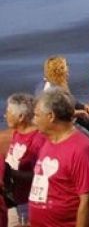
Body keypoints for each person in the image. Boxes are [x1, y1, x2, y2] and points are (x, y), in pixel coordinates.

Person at [28, 88, 89, 227]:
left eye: (36, 115)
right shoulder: (47, 141)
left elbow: (87, 199)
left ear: (51, 116)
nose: (33, 120)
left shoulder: (80, 148)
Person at [4, 93, 45, 226]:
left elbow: (42, 177)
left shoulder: (38, 140)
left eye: (8, 112)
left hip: (29, 203)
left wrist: (10, 173)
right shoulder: (17, 133)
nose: (5, 115)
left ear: (21, 117)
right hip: (13, 199)